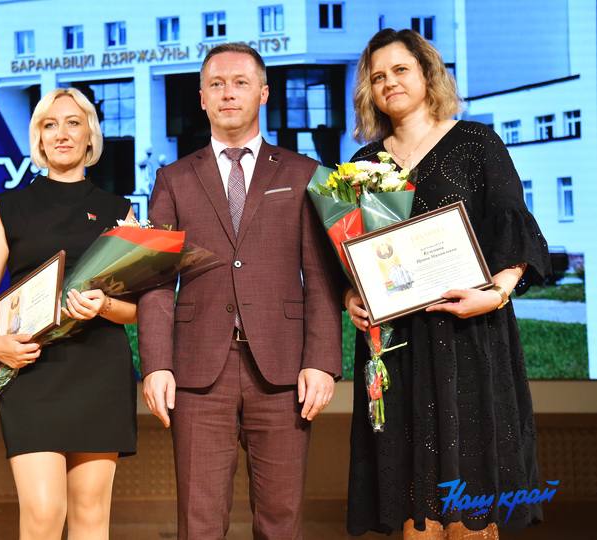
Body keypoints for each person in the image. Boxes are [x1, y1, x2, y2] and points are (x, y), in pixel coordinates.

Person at [345, 29, 551, 539]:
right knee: (416, 517)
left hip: (469, 342)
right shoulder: (363, 166)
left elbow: (514, 231)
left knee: (470, 519)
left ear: (426, 73)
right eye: (377, 77)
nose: (388, 83)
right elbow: (353, 258)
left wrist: (496, 293)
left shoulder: (477, 142)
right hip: (397, 349)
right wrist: (354, 298)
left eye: (400, 70)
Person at [138, 42, 343, 539]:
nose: (228, 93)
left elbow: (320, 277)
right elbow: (157, 284)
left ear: (263, 93)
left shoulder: (303, 173)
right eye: (216, 84)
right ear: (202, 98)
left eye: (240, 83)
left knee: (281, 520)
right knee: (199, 521)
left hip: (283, 370)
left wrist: (322, 360)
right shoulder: (173, 178)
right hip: (197, 372)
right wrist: (157, 365)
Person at [0, 87, 137, 539]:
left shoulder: (120, 212)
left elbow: (135, 309)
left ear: (91, 137)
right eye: (49, 124)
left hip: (99, 369)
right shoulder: (9, 208)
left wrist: (106, 304)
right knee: (43, 513)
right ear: (38, 139)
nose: (61, 133)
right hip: (31, 370)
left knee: (90, 514)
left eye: (73, 123)